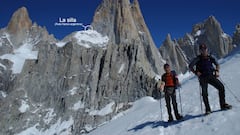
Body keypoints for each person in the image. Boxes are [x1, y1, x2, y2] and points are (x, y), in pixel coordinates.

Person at [189, 44, 232, 115]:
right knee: (204, 94)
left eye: (204, 49)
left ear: (207, 49)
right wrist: (196, 72)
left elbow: (217, 64)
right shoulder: (198, 58)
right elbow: (190, 66)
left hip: (211, 76)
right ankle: (208, 109)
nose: (204, 50)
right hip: (203, 78)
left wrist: (217, 71)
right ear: (200, 51)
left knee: (221, 87)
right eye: (202, 49)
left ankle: (223, 105)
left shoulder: (210, 57)